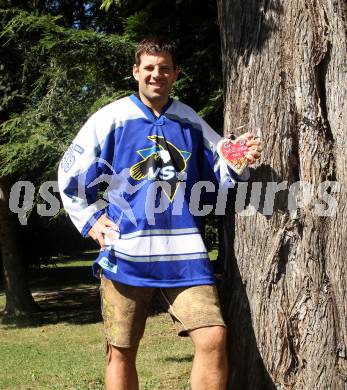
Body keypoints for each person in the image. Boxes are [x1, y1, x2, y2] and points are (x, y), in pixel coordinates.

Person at [58, 36, 262, 390]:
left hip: (185, 255)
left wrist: (238, 160)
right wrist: (90, 220)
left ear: (175, 74)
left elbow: (223, 169)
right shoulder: (111, 119)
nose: (157, 75)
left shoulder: (188, 119)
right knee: (121, 352)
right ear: (136, 72)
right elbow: (69, 173)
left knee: (213, 339)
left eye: (164, 68)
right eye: (149, 68)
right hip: (126, 253)